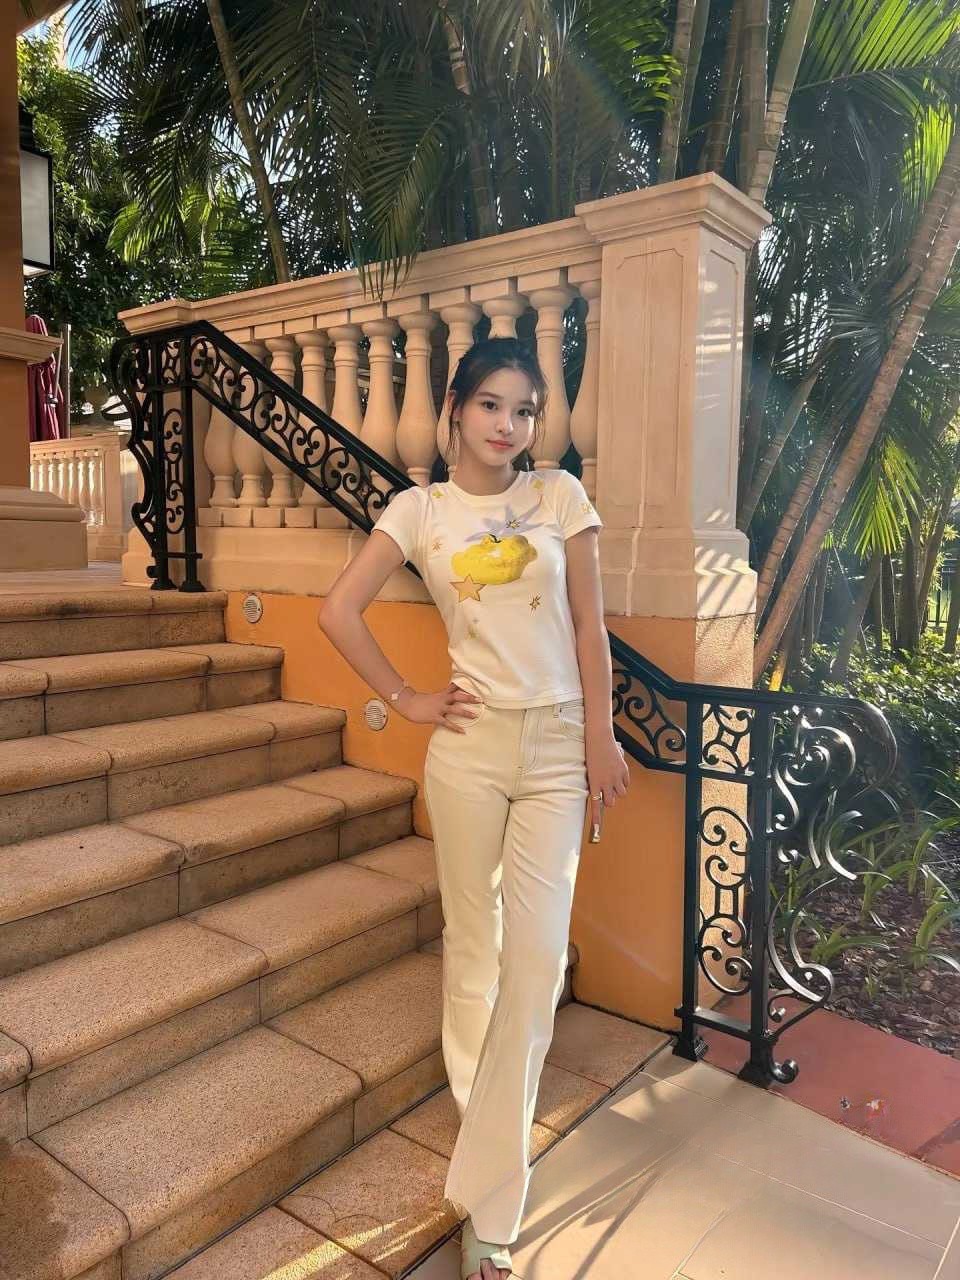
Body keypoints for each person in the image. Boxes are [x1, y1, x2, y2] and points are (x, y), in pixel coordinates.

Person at [318, 337, 630, 1280]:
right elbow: (339, 611)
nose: (509, 425)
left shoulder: (560, 498)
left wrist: (602, 735)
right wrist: (405, 698)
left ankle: (487, 1183)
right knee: (474, 947)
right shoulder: (420, 511)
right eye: (492, 404)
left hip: (558, 747)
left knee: (534, 963)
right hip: (467, 747)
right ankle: (488, 1158)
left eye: (524, 410)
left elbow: (589, 628)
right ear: (454, 409)